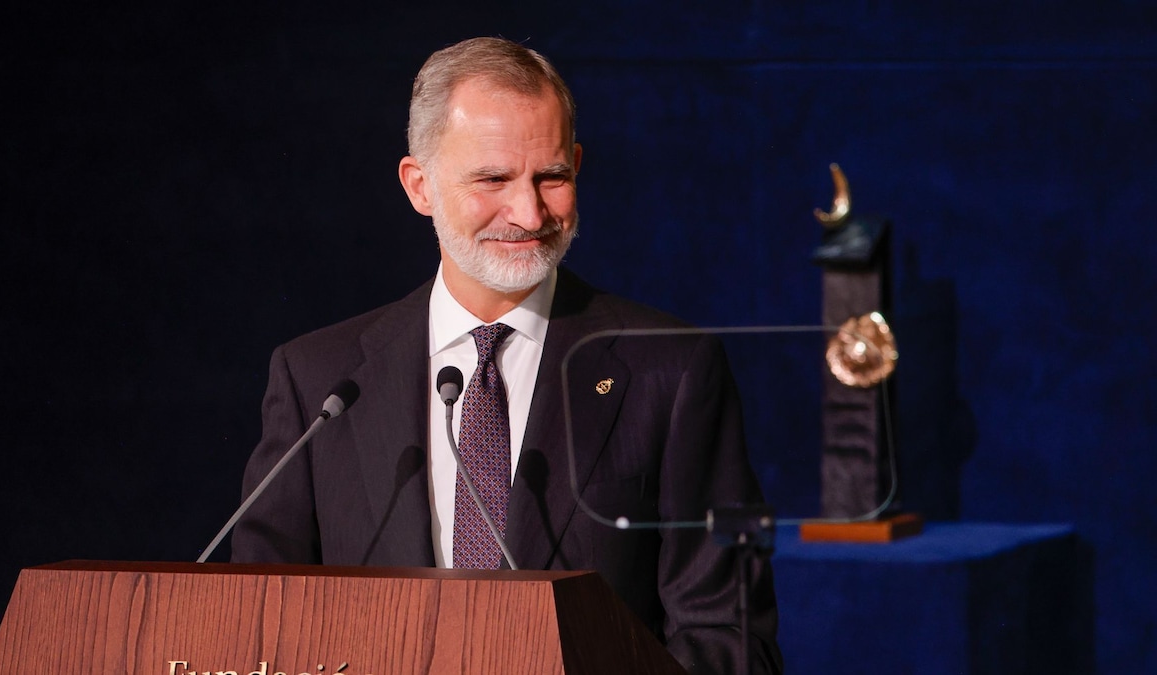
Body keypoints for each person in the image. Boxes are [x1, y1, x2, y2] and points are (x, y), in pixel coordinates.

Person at [231, 36, 782, 674]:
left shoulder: (671, 372)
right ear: (420, 186)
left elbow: (731, 641)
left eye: (552, 177)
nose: (528, 212)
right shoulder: (318, 382)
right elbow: (257, 624)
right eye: (493, 179)